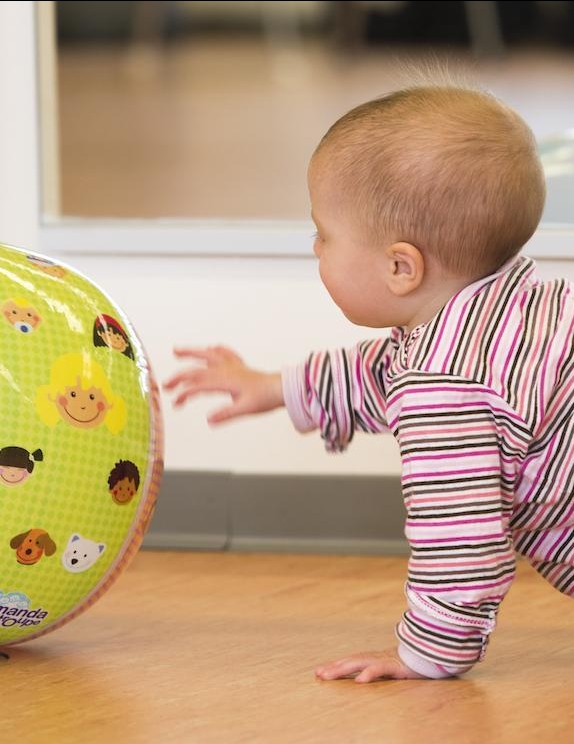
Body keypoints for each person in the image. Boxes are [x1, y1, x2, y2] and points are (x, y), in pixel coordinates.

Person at [163, 80, 574, 681]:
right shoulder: (517, 311)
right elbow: (381, 373)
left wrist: (427, 655)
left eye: (324, 234)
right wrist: (277, 387)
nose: (315, 248)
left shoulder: (446, 390)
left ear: (400, 267)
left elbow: (461, 550)